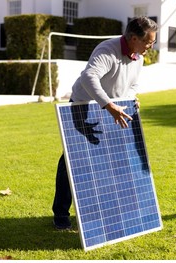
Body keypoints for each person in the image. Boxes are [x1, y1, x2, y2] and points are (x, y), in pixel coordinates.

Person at [53, 16, 158, 230]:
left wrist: (130, 99)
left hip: (114, 109)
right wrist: (109, 105)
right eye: (148, 41)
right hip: (84, 105)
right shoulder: (107, 50)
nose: (151, 46)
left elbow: (132, 85)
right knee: (73, 159)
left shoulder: (138, 58)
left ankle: (103, 213)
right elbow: (89, 77)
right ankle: (61, 214)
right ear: (133, 37)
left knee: (109, 159)